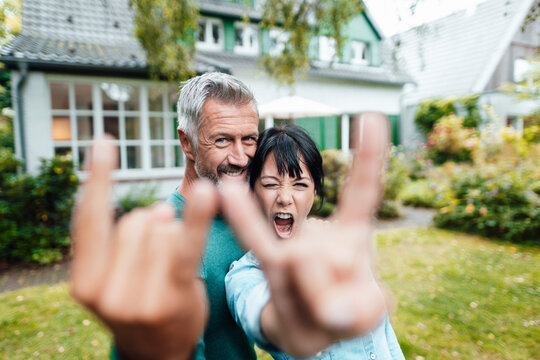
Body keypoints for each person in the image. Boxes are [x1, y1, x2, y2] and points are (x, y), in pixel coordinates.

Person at [70, 71, 391, 360]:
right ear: (187, 142)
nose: (240, 157)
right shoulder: (169, 236)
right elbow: (153, 337)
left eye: (249, 139)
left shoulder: (255, 215)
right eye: (222, 140)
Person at [225, 125, 405, 360]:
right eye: (270, 184)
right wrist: (292, 318)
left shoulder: (341, 248)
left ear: (315, 192)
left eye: (300, 185)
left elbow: (386, 339)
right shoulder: (245, 275)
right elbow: (260, 313)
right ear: (252, 191)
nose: (284, 198)